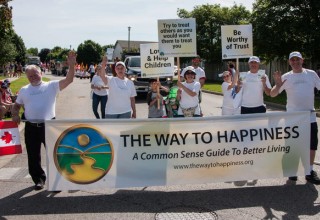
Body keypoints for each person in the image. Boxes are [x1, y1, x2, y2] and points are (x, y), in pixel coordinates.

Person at [11, 51, 76, 190]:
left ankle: (57, 180)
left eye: (35, 74)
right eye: (30, 76)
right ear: (26, 77)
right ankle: (39, 179)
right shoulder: (24, 90)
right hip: (31, 126)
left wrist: (72, 66)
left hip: (49, 125)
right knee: (33, 155)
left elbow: (69, 80)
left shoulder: (51, 86)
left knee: (54, 154)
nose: (33, 77)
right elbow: (16, 105)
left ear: (41, 73)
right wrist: (15, 114)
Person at [270, 51, 320, 185]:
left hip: (309, 116)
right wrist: (278, 84)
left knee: (311, 145)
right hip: (292, 118)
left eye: (298, 59)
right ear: (289, 62)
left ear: (302, 60)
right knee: (293, 145)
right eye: (293, 60)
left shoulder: (311, 74)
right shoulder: (286, 77)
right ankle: (292, 171)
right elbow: (273, 94)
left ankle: (309, 171)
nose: (295, 62)